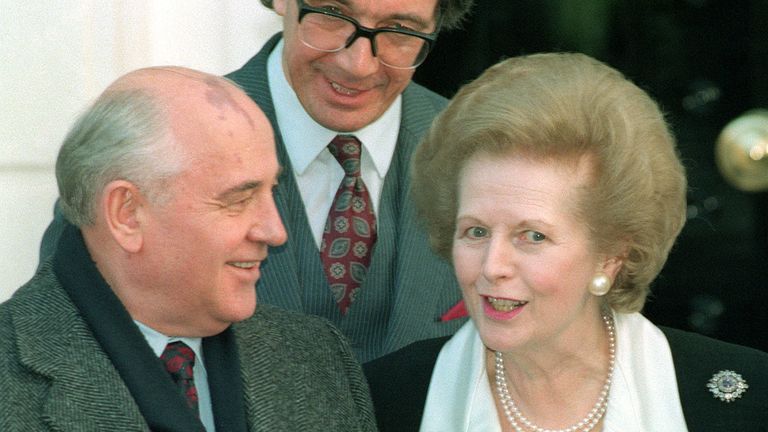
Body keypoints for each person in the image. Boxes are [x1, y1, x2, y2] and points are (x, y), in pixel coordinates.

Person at [39, 0, 476, 363]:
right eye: (331, 14)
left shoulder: (481, 153)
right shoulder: (144, 146)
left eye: (400, 31)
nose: (357, 64)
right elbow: (55, 354)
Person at [364, 53, 768, 431]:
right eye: (477, 231)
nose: (491, 266)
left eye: (533, 236)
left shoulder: (748, 403)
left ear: (612, 255)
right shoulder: (381, 401)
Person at [2, 67, 376, 431]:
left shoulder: (318, 358)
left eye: (272, 190)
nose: (275, 231)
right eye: (238, 199)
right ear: (127, 214)